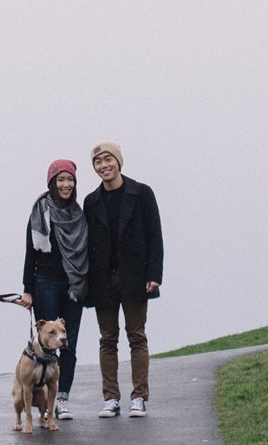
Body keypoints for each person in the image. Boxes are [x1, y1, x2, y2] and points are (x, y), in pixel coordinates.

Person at [83, 140, 162, 417]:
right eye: (98, 162)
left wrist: (154, 274)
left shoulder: (142, 193)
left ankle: (139, 397)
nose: (103, 165)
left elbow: (155, 235)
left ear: (118, 161)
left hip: (136, 277)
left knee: (136, 336)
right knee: (107, 339)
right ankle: (111, 398)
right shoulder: (91, 201)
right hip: (102, 280)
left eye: (108, 159)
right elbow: (87, 243)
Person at [15, 159, 89, 417]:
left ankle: (62, 399)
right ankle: (43, 400)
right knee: (46, 345)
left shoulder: (79, 214)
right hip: (45, 281)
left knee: (68, 343)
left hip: (74, 284)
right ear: (52, 183)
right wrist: (27, 289)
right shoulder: (40, 211)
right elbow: (30, 253)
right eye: (61, 180)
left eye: (70, 180)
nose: (66, 184)